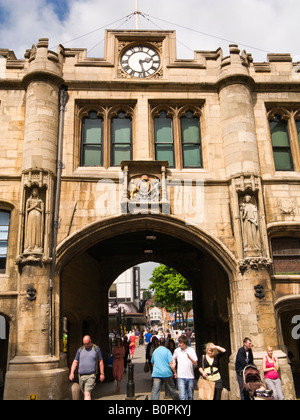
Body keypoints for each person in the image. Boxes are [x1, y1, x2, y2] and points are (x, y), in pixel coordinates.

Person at [69, 335, 105, 400]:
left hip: (91, 375)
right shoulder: (80, 350)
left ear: (90, 341)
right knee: (84, 393)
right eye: (84, 344)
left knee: (87, 393)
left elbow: (101, 361)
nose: (85, 345)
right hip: (81, 376)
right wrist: (72, 373)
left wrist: (102, 373)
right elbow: (75, 362)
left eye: (87, 343)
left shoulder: (96, 349)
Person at [172, 335, 198, 400]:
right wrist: (174, 363)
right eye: (179, 343)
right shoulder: (177, 351)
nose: (179, 344)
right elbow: (173, 358)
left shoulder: (191, 350)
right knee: (182, 396)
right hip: (181, 376)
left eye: (181, 343)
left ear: (185, 343)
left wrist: (190, 358)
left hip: (190, 376)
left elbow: (195, 363)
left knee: (190, 396)